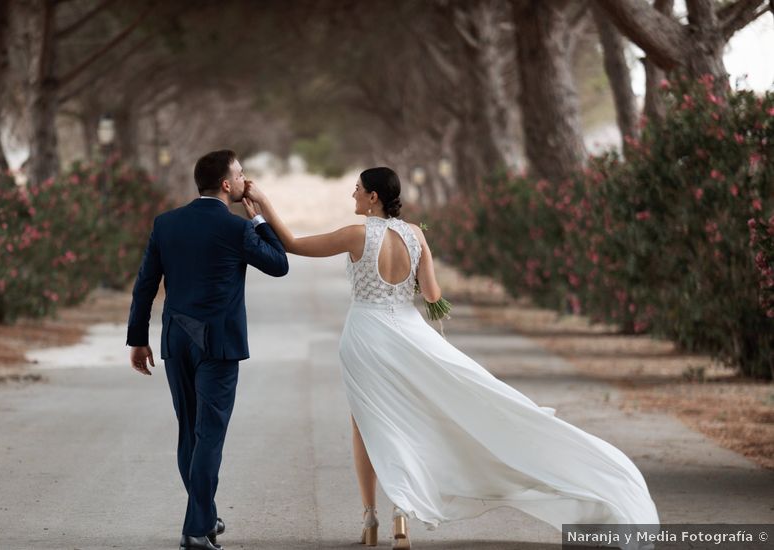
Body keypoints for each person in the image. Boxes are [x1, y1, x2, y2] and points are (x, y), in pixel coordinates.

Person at [242, 167, 660, 550]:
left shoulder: (355, 235)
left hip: (367, 336)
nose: (352, 193)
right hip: (408, 334)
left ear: (372, 198)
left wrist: (260, 206)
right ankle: (400, 516)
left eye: (357, 188)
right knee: (404, 421)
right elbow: (432, 296)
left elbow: (293, 244)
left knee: (366, 425)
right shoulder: (415, 235)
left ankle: (371, 521)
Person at [127, 150, 289, 550]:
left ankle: (204, 516)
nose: (244, 180)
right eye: (240, 175)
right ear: (226, 185)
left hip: (176, 341)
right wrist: (259, 218)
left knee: (191, 433)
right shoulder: (237, 229)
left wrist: (137, 338)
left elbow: (145, 284)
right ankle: (197, 529)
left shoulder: (166, 224)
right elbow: (279, 263)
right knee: (209, 436)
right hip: (217, 345)